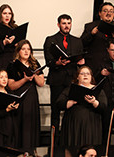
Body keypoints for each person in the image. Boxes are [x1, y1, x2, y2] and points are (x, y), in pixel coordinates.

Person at [43, 14, 84, 144]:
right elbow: (48, 61)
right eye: (64, 23)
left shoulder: (77, 41)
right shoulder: (51, 40)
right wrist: (58, 63)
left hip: (72, 80)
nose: (67, 26)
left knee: (71, 110)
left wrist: (81, 62)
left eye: (69, 23)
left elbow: (80, 59)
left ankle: (68, 140)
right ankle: (54, 142)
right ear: (58, 24)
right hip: (57, 79)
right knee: (55, 111)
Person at [7, 39, 45, 149]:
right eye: (23, 49)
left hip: (31, 96)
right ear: (18, 51)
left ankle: (30, 150)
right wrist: (24, 79)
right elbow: (11, 86)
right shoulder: (12, 65)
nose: (26, 51)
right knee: (20, 125)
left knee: (30, 124)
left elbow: (41, 83)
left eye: (28, 49)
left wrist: (33, 76)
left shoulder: (35, 63)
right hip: (19, 97)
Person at [56, 66, 107, 146]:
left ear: (91, 77)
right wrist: (70, 102)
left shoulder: (98, 90)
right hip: (73, 124)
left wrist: (94, 102)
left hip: (91, 124)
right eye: (82, 74)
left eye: (88, 74)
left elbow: (104, 107)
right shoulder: (70, 88)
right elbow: (59, 103)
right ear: (77, 77)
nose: (85, 75)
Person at [81, 2, 114, 74]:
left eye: (111, 11)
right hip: (94, 67)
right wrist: (92, 34)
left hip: (111, 67)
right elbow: (81, 44)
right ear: (100, 13)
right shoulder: (90, 26)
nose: (108, 13)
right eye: (105, 11)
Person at [96, 39, 114, 145]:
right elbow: (94, 83)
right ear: (108, 50)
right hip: (107, 103)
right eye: (112, 50)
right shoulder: (101, 63)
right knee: (105, 134)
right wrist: (101, 74)